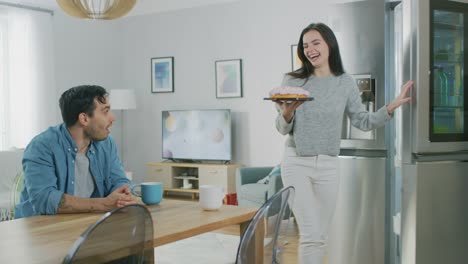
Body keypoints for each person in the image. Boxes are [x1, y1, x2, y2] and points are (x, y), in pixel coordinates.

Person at [272, 23, 412, 263]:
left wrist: (390, 107)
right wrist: (286, 114)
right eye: (305, 45)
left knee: (321, 235)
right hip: (297, 163)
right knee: (311, 234)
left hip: (328, 165)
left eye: (316, 43)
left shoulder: (345, 82)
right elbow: (282, 128)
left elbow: (362, 120)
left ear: (329, 44)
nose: (310, 49)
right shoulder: (292, 81)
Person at [15, 85, 136, 218]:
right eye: (105, 111)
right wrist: (104, 204)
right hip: (39, 230)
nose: (113, 118)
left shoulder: (106, 143)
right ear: (84, 119)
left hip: (85, 223)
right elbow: (45, 199)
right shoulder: (41, 147)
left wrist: (123, 193)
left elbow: (118, 180)